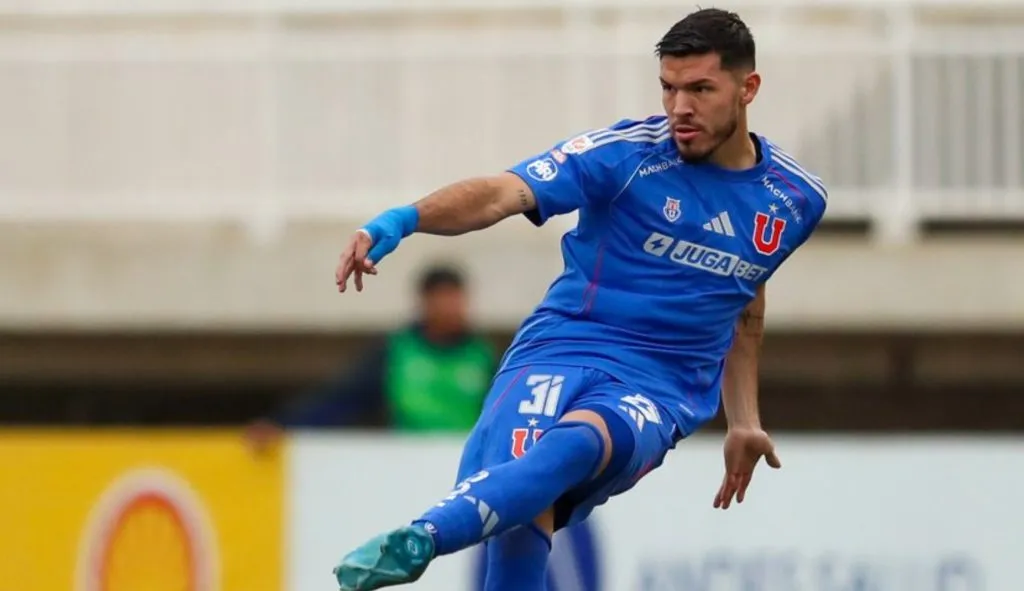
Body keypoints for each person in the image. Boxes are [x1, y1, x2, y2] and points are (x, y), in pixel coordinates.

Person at [330, 8, 828, 591]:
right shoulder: (626, 155)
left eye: (700, 89)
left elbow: (743, 296)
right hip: (560, 349)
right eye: (668, 88)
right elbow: (501, 193)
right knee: (519, 515)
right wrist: (403, 219)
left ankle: (425, 536)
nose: (679, 109)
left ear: (748, 89)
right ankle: (429, 537)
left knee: (579, 443)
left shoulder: (795, 199)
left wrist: (743, 418)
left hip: (659, 386)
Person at [245, 264, 495, 450]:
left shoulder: (483, 357)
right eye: (442, 298)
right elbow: (343, 399)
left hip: (463, 465)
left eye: (456, 298)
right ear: (425, 302)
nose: (451, 308)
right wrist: (283, 424)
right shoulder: (397, 353)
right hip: (407, 463)